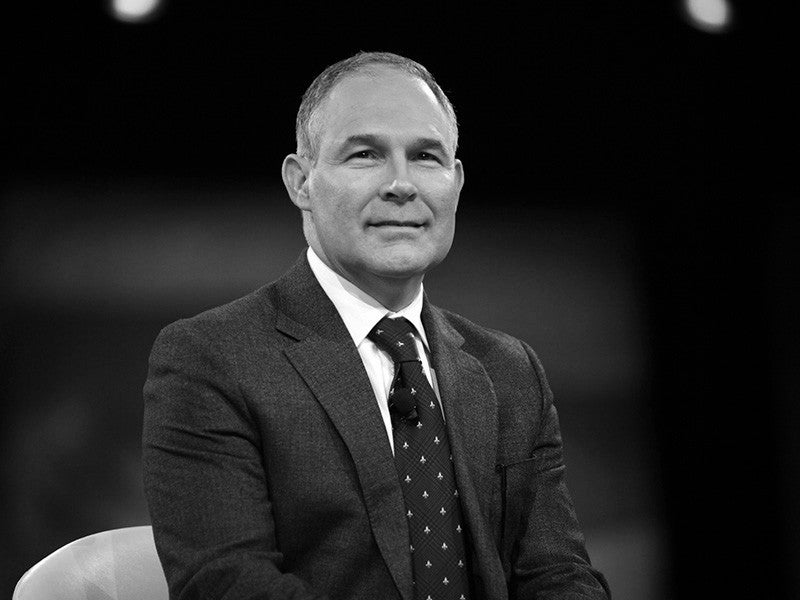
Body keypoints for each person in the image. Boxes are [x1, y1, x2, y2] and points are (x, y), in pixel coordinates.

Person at [143, 51, 610, 600]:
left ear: (455, 184)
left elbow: (559, 577)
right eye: (365, 154)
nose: (401, 185)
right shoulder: (212, 357)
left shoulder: (509, 371)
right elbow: (225, 584)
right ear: (301, 182)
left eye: (426, 157)